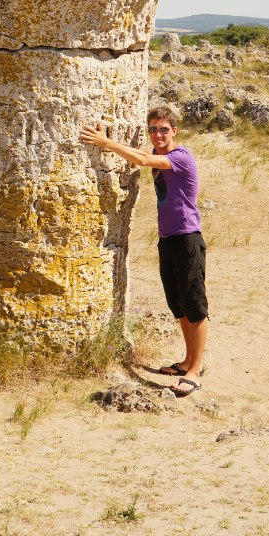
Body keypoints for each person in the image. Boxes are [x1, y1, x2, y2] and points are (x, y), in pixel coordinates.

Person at [80, 106, 208, 397]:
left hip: (188, 238)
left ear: (174, 130)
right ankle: (187, 360)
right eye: (153, 129)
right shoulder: (161, 157)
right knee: (179, 305)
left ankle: (195, 370)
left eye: (163, 129)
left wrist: (106, 143)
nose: (158, 134)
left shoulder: (180, 158)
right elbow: (141, 155)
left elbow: (142, 158)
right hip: (169, 240)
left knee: (195, 305)